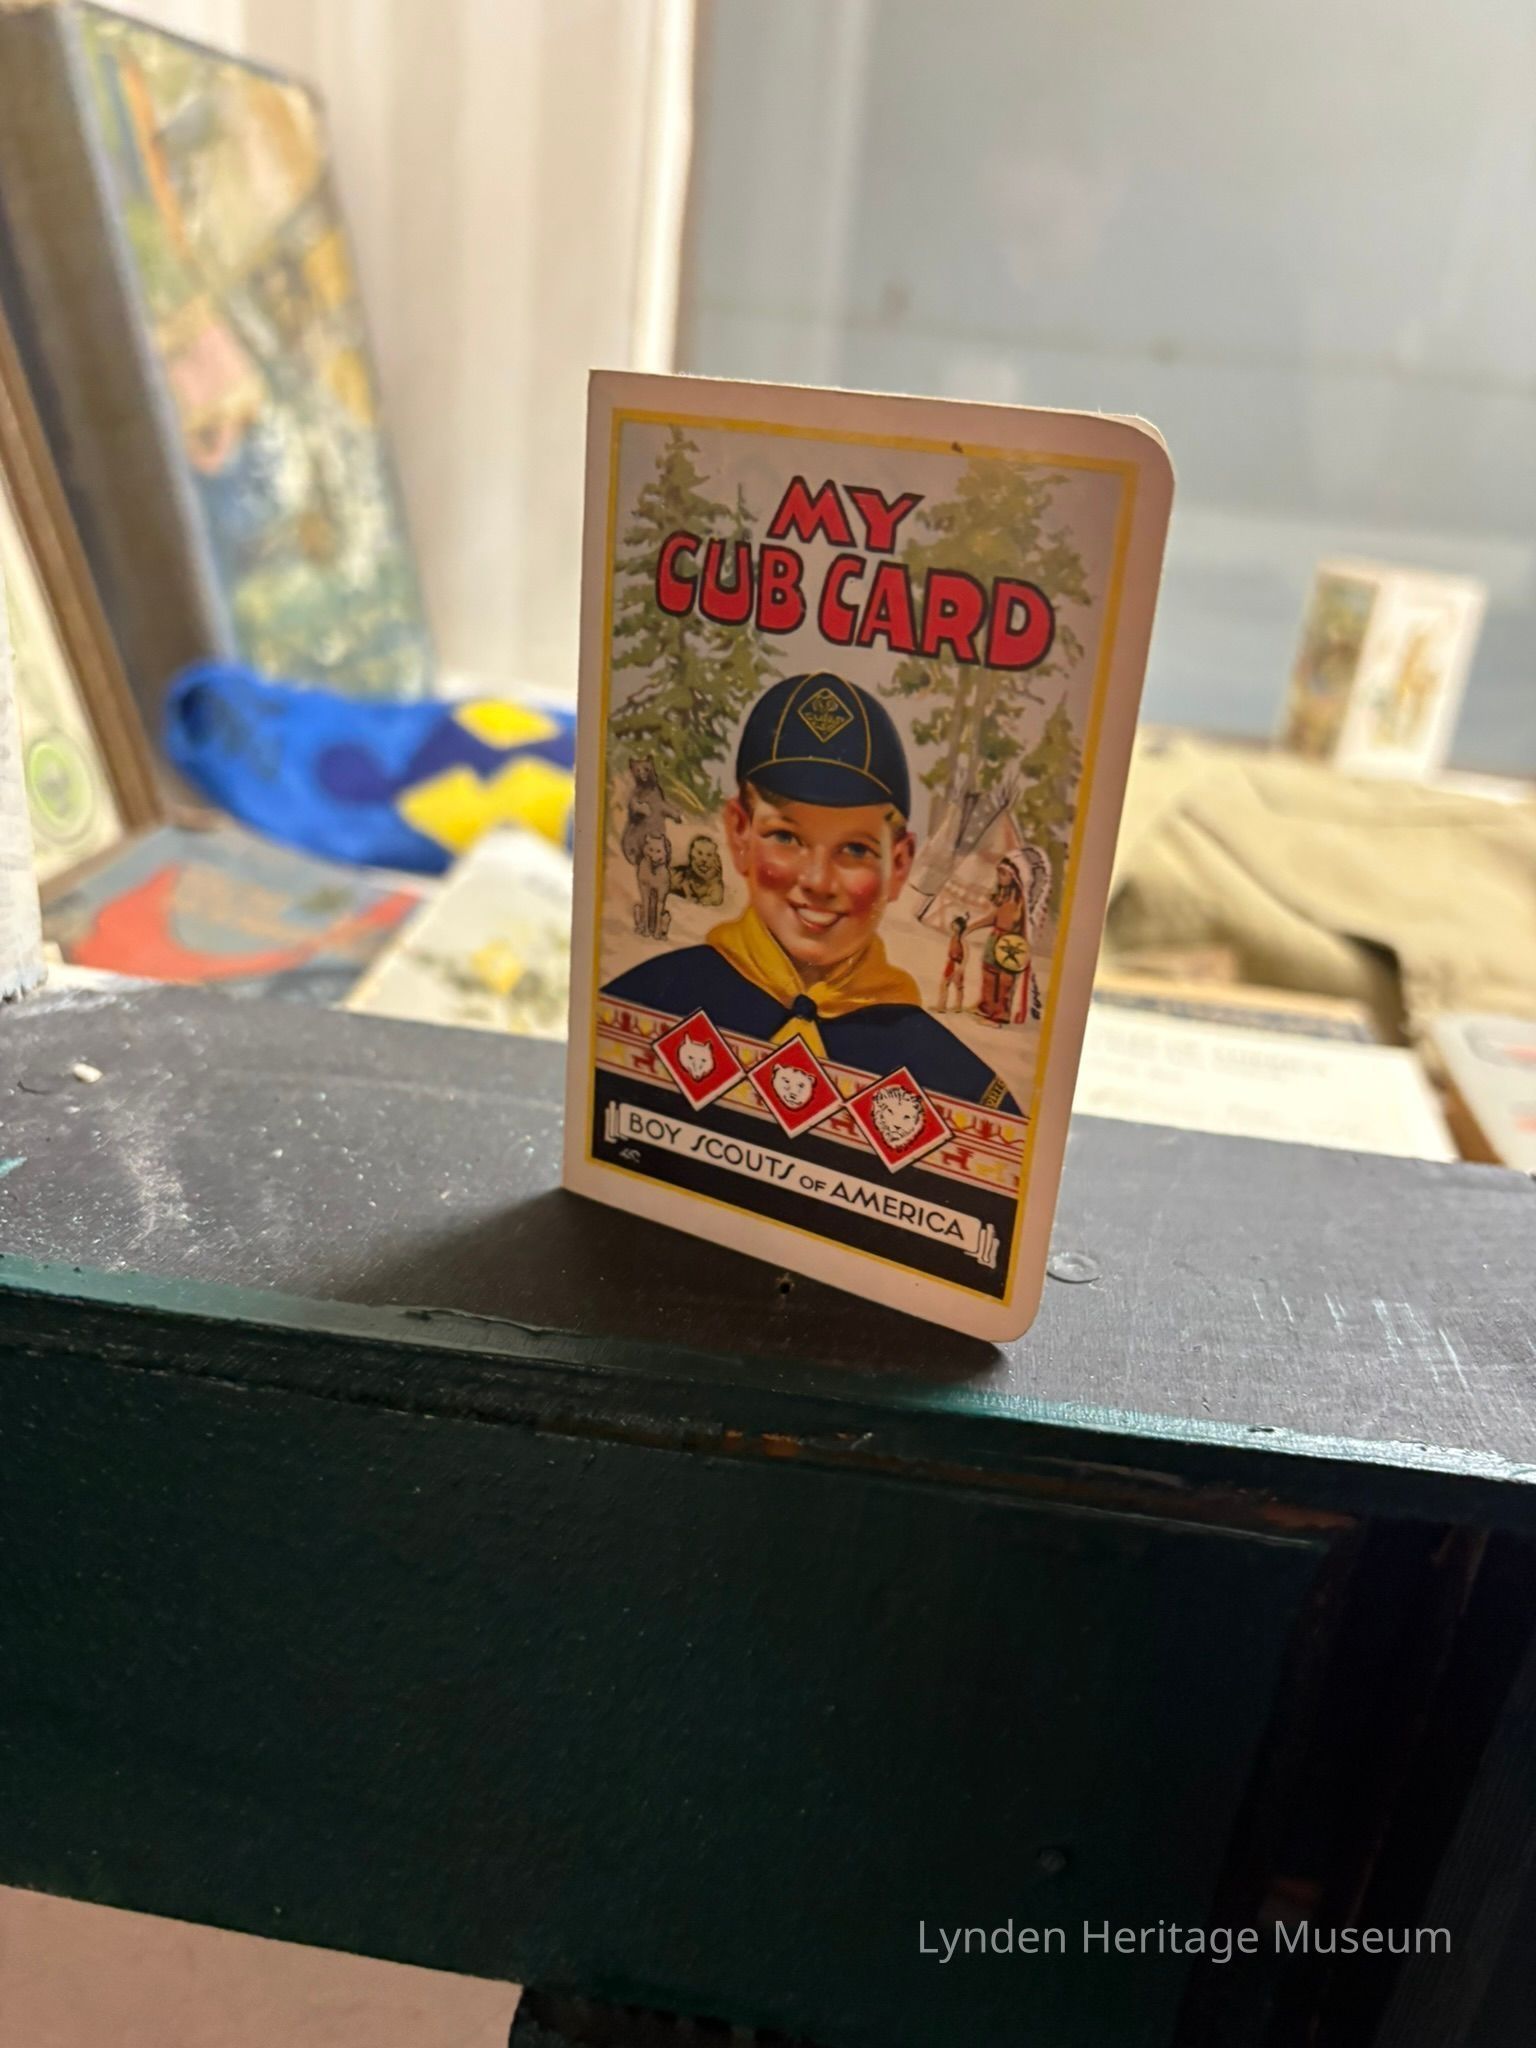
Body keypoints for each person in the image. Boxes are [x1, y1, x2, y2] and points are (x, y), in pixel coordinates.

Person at [603, 671, 1017, 1113]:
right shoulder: (643, 1002)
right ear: (740, 833)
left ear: (898, 865)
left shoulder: (958, 1085)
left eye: (855, 849)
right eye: (786, 837)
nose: (818, 882)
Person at [968, 849, 1048, 1024]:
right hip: (994, 939)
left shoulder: (1021, 905)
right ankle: (987, 1006)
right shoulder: (1003, 899)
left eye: (1004, 874)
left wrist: (1024, 950)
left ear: (1015, 877)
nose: (1000, 877)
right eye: (999, 873)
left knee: (1005, 980)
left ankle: (1000, 1013)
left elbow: (1025, 929)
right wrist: (972, 927)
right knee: (989, 974)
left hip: (1010, 944)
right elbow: (993, 918)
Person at [935, 914, 968, 1014]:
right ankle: (942, 1005)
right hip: (951, 963)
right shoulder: (954, 937)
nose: (954, 926)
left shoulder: (961, 939)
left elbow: (966, 953)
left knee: (957, 986)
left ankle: (956, 1006)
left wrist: (962, 966)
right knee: (945, 984)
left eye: (956, 924)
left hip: (957, 964)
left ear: (961, 927)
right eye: (954, 924)